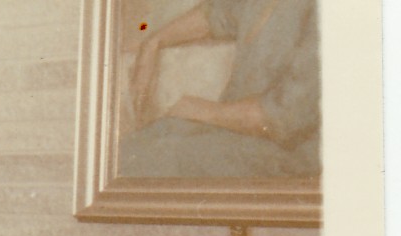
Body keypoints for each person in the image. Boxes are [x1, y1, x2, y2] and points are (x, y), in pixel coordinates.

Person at [120, 0, 319, 178]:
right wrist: (152, 43)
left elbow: (281, 118)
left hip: (288, 159)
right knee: (150, 138)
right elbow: (216, 14)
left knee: (155, 157)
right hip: (236, 135)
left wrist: (201, 111)